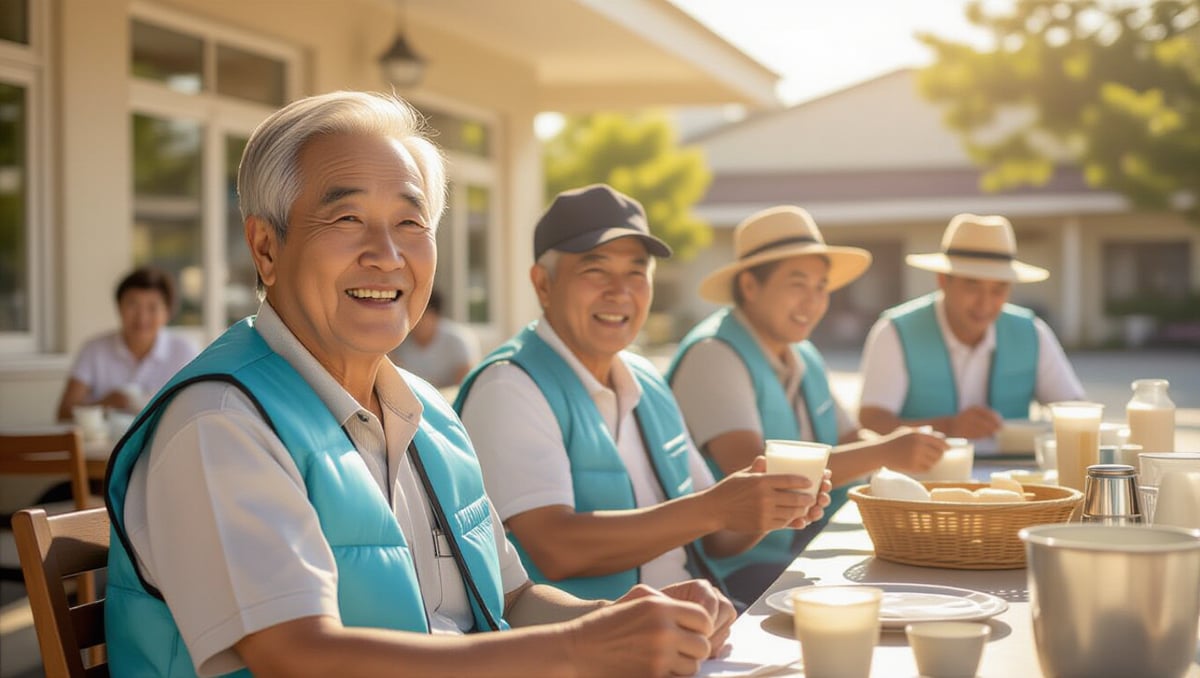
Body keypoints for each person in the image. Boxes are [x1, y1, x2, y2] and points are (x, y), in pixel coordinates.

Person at [104, 93, 736, 678]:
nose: (387, 254)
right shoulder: (221, 420)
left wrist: (626, 618)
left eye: (410, 223)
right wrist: (580, 647)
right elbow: (298, 654)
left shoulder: (427, 408)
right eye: (347, 217)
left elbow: (511, 597)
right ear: (266, 249)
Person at [454, 184, 831, 607]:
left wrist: (765, 508)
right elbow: (556, 548)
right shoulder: (509, 385)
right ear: (543, 284)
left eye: (636, 272)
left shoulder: (645, 379)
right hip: (591, 643)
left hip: (693, 620)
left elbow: (719, 538)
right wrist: (716, 509)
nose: (620, 291)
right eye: (595, 270)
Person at [666, 205, 947, 601]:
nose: (813, 301)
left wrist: (906, 452)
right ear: (749, 286)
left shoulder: (803, 354)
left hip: (803, 546)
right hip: (733, 569)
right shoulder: (714, 354)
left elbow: (852, 437)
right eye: (797, 283)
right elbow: (752, 477)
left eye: (821, 287)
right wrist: (885, 450)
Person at [858, 213, 1085, 444]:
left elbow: (1075, 411)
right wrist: (949, 426)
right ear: (943, 281)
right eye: (972, 286)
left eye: (999, 290)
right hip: (924, 477)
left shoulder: (1033, 333)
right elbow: (873, 422)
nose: (985, 304)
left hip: (1014, 476)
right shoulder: (894, 332)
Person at [55, 266, 198, 421]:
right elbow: (64, 412)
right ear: (119, 307)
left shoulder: (184, 351)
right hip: (107, 445)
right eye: (133, 305)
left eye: (152, 307)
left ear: (168, 312)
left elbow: (199, 407)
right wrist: (105, 403)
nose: (142, 317)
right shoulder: (94, 349)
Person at [389, 288, 480, 388]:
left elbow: (465, 385)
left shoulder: (458, 340)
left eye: (421, 315)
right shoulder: (397, 341)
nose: (415, 321)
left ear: (435, 315)